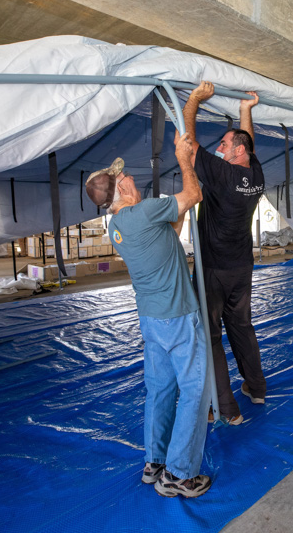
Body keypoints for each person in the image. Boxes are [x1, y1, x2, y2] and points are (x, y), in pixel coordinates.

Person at [84, 130, 212, 498]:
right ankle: (179, 475)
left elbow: (170, 229)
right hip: (177, 315)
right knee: (194, 391)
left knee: (160, 389)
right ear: (122, 192)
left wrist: (177, 211)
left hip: (152, 321)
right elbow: (194, 195)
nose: (132, 180)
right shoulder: (143, 210)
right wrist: (183, 157)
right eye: (126, 179)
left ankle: (155, 461)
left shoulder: (118, 226)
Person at [182, 81, 266, 425]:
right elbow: (249, 143)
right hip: (241, 267)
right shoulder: (254, 174)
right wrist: (245, 111)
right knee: (242, 327)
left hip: (213, 268)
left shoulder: (222, 174)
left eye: (224, 144)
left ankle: (227, 408)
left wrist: (192, 102)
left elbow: (188, 145)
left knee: (210, 335)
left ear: (236, 153)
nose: (219, 147)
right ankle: (257, 387)